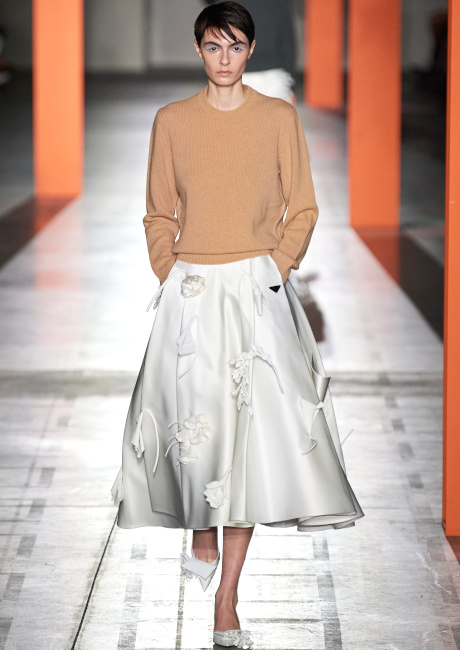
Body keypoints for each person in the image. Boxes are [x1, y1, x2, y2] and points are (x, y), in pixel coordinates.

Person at [110, 2, 364, 647]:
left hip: (256, 288)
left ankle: (227, 600)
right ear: (198, 49)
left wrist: (274, 269)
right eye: (213, 46)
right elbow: (158, 210)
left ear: (250, 51)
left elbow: (302, 206)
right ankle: (202, 528)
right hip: (192, 288)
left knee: (250, 443)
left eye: (235, 46)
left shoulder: (277, 118)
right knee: (195, 424)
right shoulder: (172, 121)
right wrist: (170, 271)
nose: (224, 58)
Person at [203, 0, 297, 104]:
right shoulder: (278, 4)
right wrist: (290, 85)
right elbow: (288, 43)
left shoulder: (221, 6)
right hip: (272, 76)